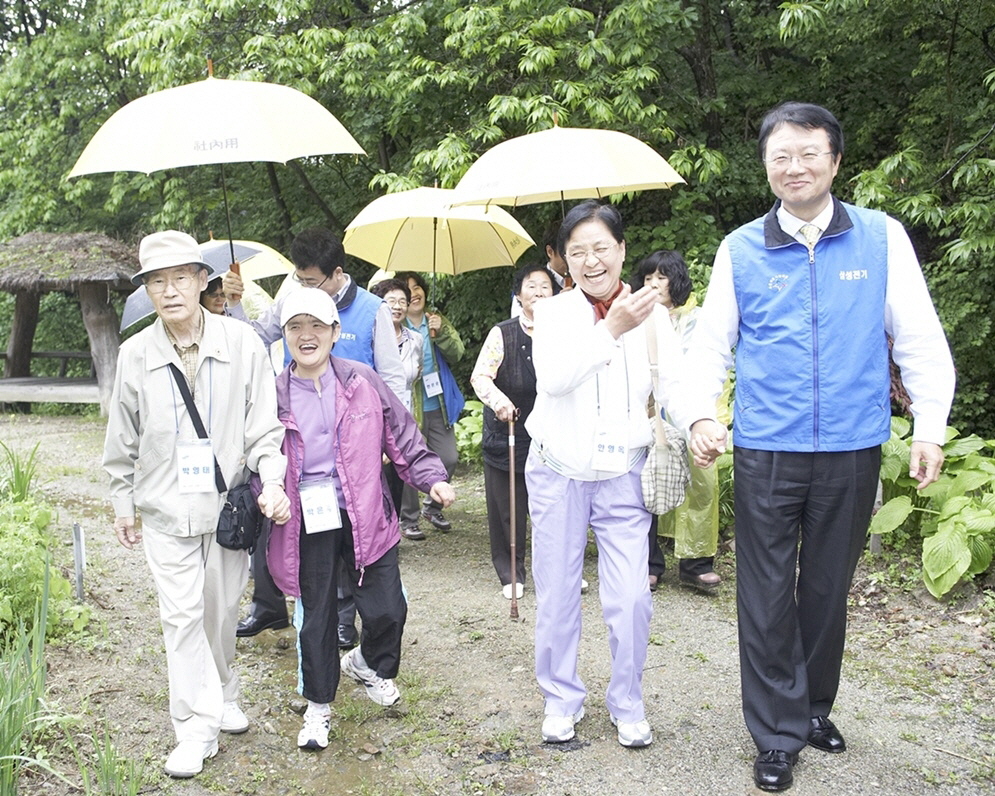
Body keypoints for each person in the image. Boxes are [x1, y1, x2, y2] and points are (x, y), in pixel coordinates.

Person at [687, 102, 955, 792]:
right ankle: (775, 733)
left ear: (834, 161)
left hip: (851, 447)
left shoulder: (879, 237)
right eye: (781, 155)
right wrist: (698, 416)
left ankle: (809, 708)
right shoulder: (740, 248)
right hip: (767, 449)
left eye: (808, 153)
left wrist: (928, 426)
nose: (794, 166)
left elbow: (919, 336)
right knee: (766, 592)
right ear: (766, 165)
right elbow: (709, 344)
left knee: (827, 590)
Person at [102, 230, 290, 779]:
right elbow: (122, 438)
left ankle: (224, 687)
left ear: (201, 279)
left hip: (226, 510)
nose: (168, 290)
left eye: (179, 277)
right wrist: (121, 500)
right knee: (180, 617)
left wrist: (272, 481)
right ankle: (195, 727)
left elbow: (265, 429)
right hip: (165, 509)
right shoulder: (136, 354)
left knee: (220, 613)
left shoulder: (242, 344)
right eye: (156, 281)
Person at [525, 200, 692, 749]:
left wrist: (702, 422)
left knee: (631, 597)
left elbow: (673, 388)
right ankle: (560, 698)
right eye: (578, 252)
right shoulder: (550, 314)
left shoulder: (656, 315)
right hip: (558, 470)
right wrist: (610, 330)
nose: (591, 261)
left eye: (601, 248)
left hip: (625, 471)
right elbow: (551, 379)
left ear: (622, 250)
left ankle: (627, 699)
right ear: (562, 260)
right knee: (556, 593)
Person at [265, 289, 455, 750]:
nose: (306, 336)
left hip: (365, 510)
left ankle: (368, 664)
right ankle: (318, 707)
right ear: (285, 336)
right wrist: (265, 493)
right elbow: (258, 457)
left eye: (317, 326)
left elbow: (404, 438)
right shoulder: (272, 394)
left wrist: (431, 478)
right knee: (319, 619)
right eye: (295, 327)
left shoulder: (363, 380)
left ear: (334, 333)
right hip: (306, 521)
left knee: (389, 608)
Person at [225, 229, 404, 650]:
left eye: (311, 281)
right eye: (299, 279)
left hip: (359, 442)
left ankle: (354, 622)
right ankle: (321, 623)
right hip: (301, 441)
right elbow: (251, 340)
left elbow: (392, 379)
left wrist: (387, 442)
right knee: (311, 539)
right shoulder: (289, 300)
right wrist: (233, 303)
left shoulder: (373, 310)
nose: (302, 288)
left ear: (336, 274)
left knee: (358, 536)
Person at [629, 251, 730, 593]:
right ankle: (649, 562)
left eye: (661, 277)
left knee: (702, 485)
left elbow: (717, 370)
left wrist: (714, 418)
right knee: (650, 483)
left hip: (694, 413)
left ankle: (697, 564)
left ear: (677, 280)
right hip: (650, 415)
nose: (653, 284)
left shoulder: (700, 320)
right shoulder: (637, 319)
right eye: (647, 278)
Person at [471, 263, 554, 598]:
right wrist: (499, 401)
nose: (538, 292)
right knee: (509, 506)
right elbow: (480, 377)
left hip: (552, 434)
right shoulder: (502, 332)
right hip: (510, 428)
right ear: (518, 295)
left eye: (546, 286)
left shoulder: (565, 331)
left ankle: (557, 569)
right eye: (531, 286)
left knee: (554, 506)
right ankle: (511, 573)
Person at [394, 271, 465, 539]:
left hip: (438, 402)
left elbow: (457, 354)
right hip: (409, 404)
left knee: (448, 457)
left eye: (417, 287)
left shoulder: (436, 321)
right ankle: (408, 518)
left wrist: (441, 332)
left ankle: (433, 506)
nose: (414, 293)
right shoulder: (394, 323)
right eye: (407, 290)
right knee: (410, 461)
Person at [370, 277, 424, 516]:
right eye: (391, 300)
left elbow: (416, 374)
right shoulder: (369, 338)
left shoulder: (416, 340)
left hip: (402, 418)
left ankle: (392, 537)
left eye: (403, 301)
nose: (398, 306)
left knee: (396, 479)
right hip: (373, 416)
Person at [510, 220, 568, 317]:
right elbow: (522, 325)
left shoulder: (586, 282)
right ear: (550, 251)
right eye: (565, 253)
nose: (571, 258)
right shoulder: (526, 284)